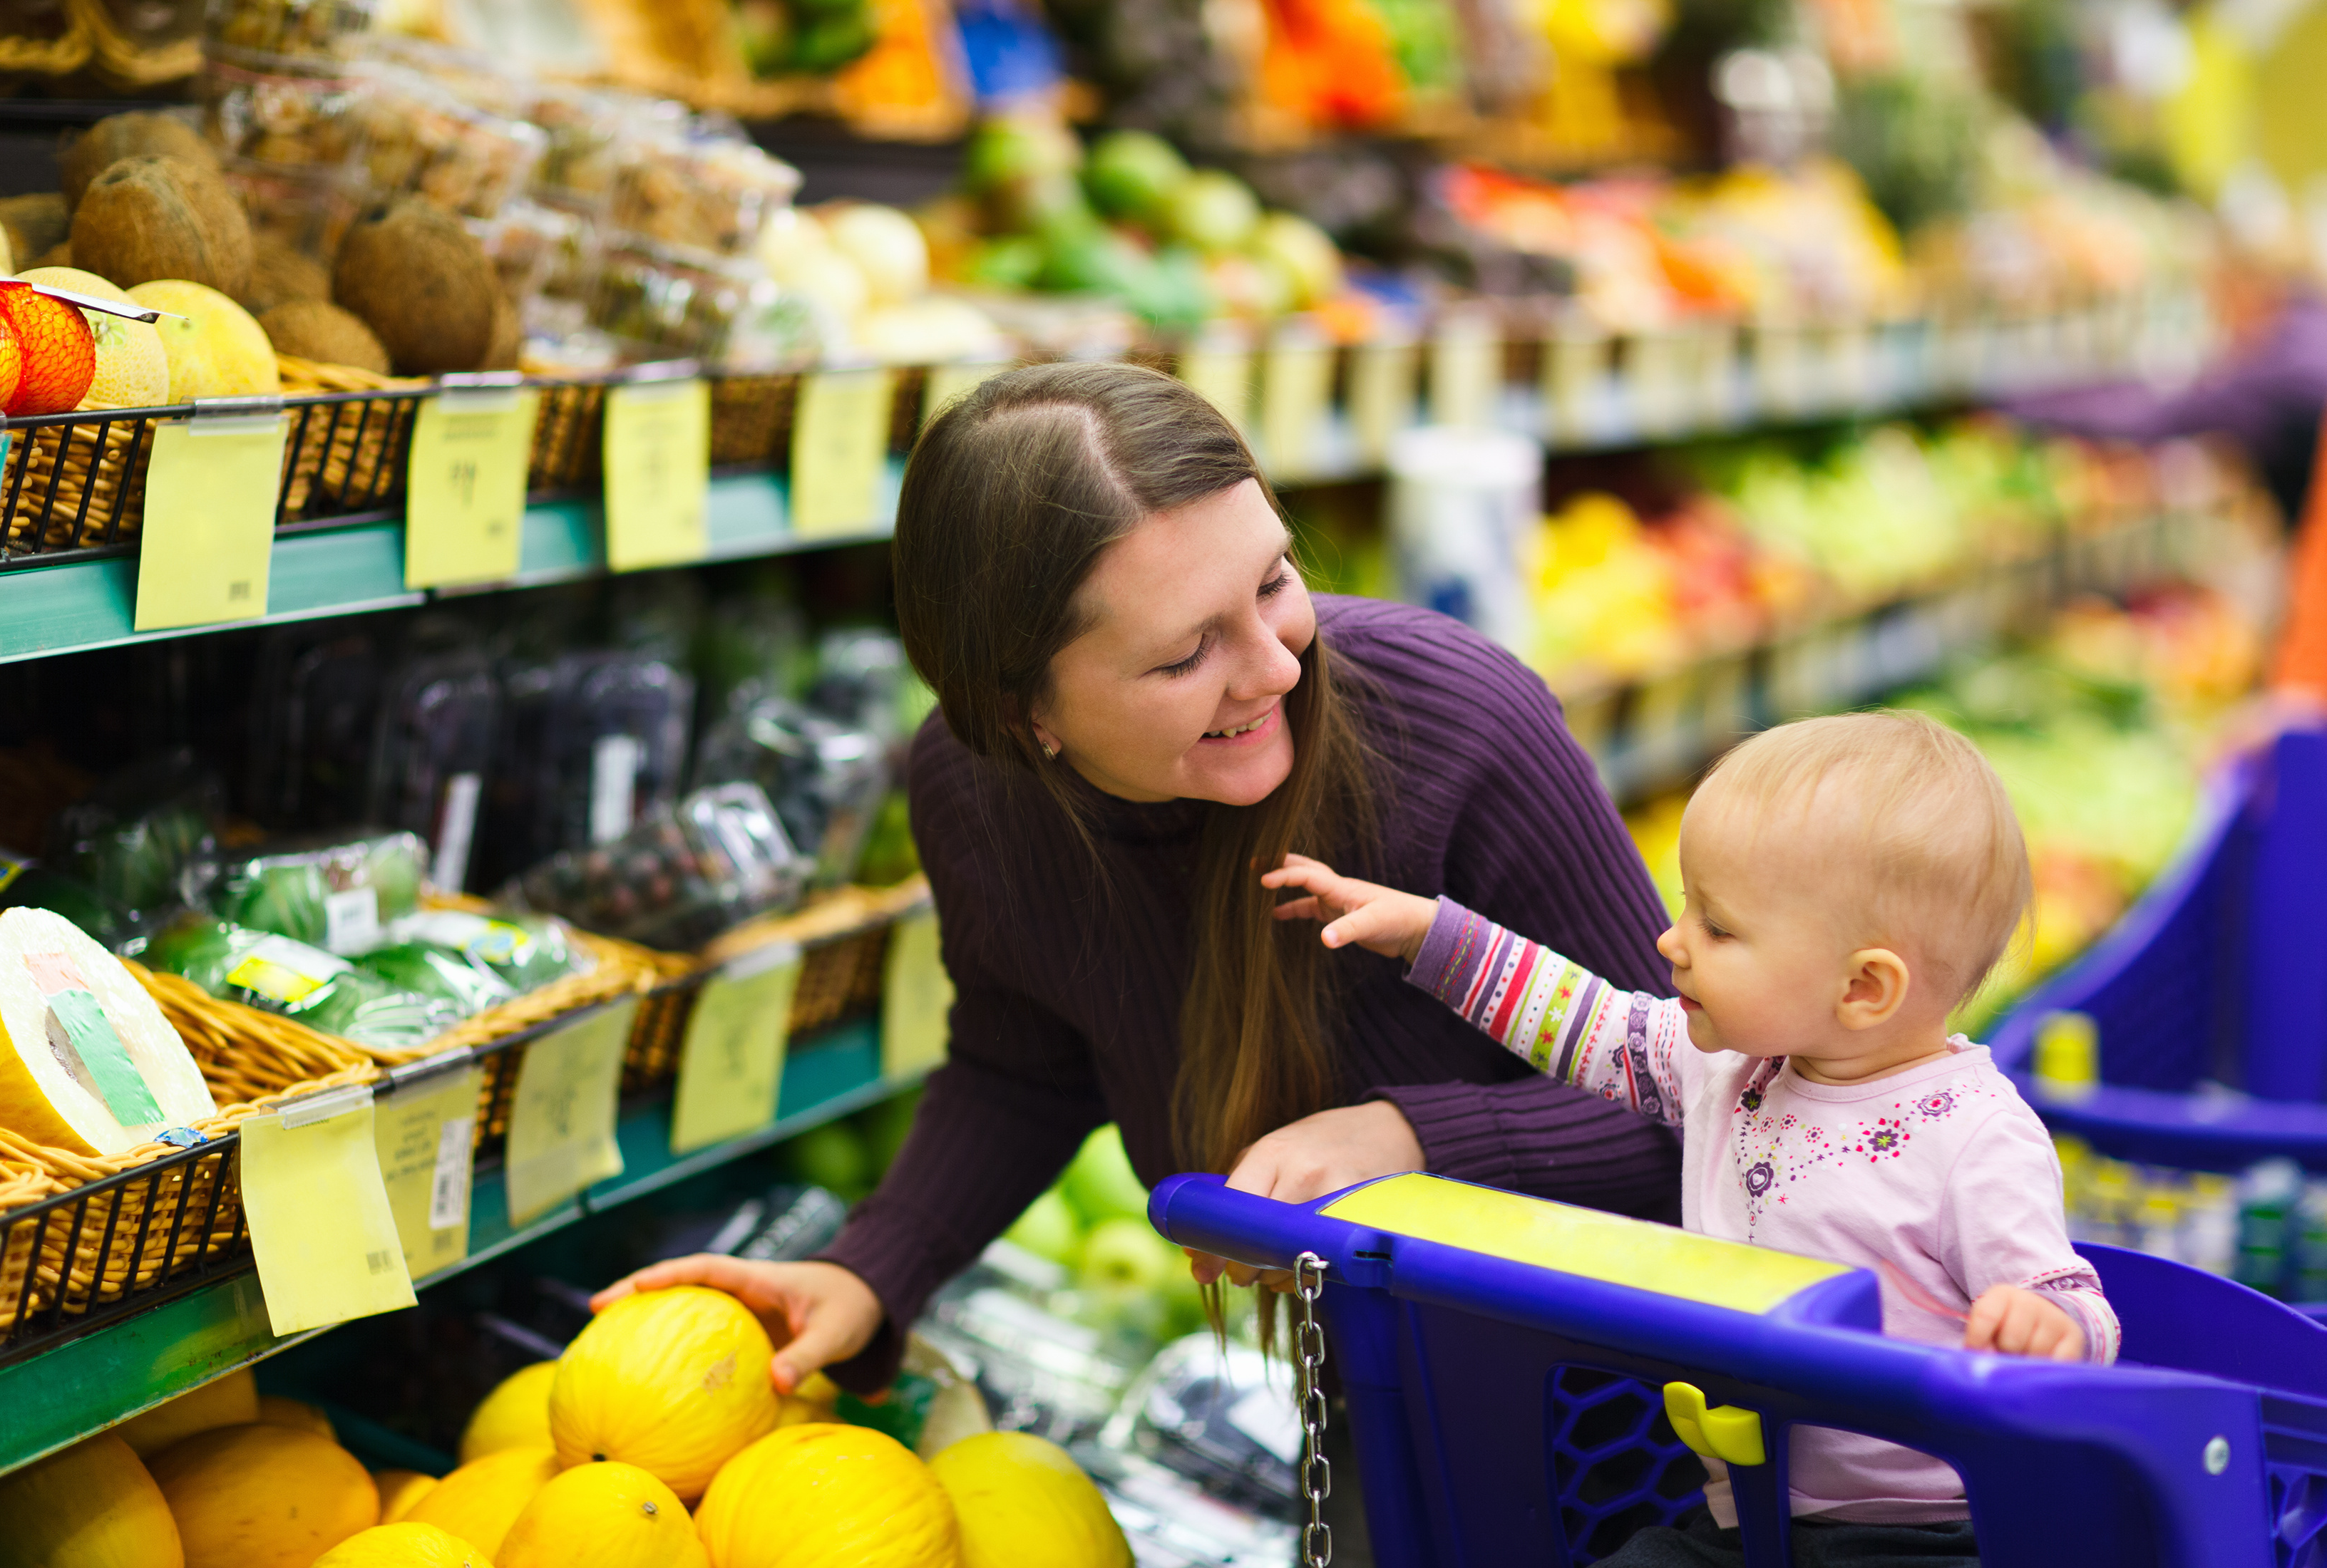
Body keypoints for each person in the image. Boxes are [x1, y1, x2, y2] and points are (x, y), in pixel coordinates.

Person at [593, 361, 1680, 1456]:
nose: (1274, 669)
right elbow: (1025, 1061)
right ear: (1028, 716)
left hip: (1633, 1403)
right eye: (1183, 654)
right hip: (1370, 1392)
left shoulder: (1456, 722)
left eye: (1273, 583)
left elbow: (1700, 1103)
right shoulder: (976, 793)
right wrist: (870, 1269)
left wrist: (1407, 1140)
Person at [1262, 710, 2120, 1567]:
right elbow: (1581, 1018)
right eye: (1686, 907)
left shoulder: (1972, 1136)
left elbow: (2074, 1296)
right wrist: (1427, 934)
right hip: (1746, 1512)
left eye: (1718, 927)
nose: (1671, 942)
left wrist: (2049, 1324)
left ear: (1863, 986)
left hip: (1927, 1533)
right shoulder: (1729, 1067)